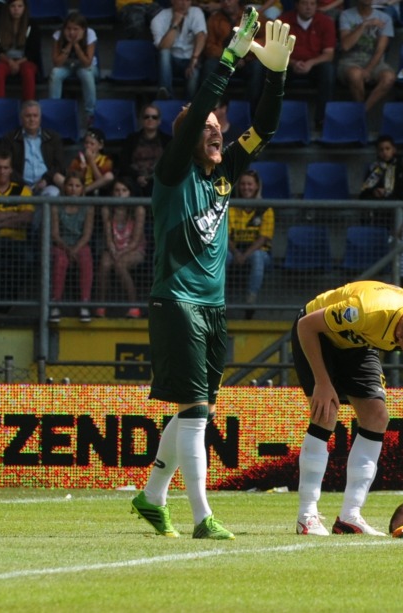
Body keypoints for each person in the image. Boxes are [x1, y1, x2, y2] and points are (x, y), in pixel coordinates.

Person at [130, 11, 294, 540]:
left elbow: (264, 128)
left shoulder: (224, 174)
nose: (217, 133)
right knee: (196, 409)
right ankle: (203, 516)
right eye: (206, 129)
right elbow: (201, 105)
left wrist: (277, 72)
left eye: (219, 129)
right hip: (175, 300)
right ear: (185, 138)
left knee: (195, 408)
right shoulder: (172, 171)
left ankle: (153, 495)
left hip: (212, 305)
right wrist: (226, 59)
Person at [292, 280, 403, 536]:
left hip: (357, 342)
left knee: (376, 416)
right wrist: (322, 381)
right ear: (399, 337)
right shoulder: (364, 310)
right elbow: (305, 327)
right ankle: (306, 515)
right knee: (326, 412)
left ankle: (350, 516)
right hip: (318, 334)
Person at [95, 177, 146, 319]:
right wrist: (113, 250)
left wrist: (121, 253)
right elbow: (108, 237)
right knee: (105, 264)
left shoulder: (138, 209)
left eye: (124, 190)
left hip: (133, 249)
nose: (120, 194)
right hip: (113, 247)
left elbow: (136, 241)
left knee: (120, 265)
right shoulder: (107, 209)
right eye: (117, 190)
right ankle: (101, 306)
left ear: (130, 192)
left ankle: (134, 307)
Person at [280, 0, 336, 129]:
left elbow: (329, 54)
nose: (308, 8)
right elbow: (276, 51)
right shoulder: (283, 21)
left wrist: (311, 63)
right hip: (288, 64)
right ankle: (274, 120)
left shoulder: (326, 22)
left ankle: (321, 120)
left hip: (314, 65)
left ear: (317, 6)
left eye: (312, 4)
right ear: (297, 5)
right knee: (274, 71)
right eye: (304, 4)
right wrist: (293, 63)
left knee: (328, 70)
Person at [226, 168, 273, 319]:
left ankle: (250, 301)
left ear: (257, 186)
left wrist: (244, 255)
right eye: (243, 184)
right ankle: (218, 300)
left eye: (250, 184)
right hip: (235, 251)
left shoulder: (265, 209)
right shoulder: (231, 207)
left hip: (259, 253)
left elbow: (264, 238)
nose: (246, 187)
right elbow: (224, 236)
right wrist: (237, 254)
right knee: (221, 256)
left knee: (258, 256)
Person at [49, 174, 95, 324]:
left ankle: (84, 304)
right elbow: (55, 234)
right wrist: (68, 249)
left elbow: (87, 234)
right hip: (61, 245)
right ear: (64, 187)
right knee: (60, 261)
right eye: (70, 185)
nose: (73, 189)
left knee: (86, 258)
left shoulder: (88, 207)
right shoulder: (56, 205)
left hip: (80, 244)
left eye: (77, 186)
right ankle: (55, 304)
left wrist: (75, 249)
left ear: (82, 189)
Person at [201, 0, 264, 109]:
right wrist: (230, 57)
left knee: (257, 67)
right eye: (223, 0)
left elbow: (264, 40)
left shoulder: (252, 16)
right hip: (223, 60)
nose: (226, 3)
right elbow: (209, 47)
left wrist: (246, 53)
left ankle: (249, 108)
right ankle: (209, 107)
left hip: (246, 60)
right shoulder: (214, 19)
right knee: (209, 64)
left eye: (230, 0)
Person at [337, 0, 396, 113]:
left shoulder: (385, 18)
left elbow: (380, 50)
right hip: (350, 62)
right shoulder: (345, 15)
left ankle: (362, 112)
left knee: (389, 77)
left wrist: (368, 69)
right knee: (356, 74)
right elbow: (346, 46)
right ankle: (360, 111)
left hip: (375, 63)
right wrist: (364, 25)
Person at [4, 99, 66, 197]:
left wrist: (46, 180)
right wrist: (22, 184)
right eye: (28, 116)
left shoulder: (53, 137)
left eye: (35, 116)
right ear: (21, 119)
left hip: (46, 184)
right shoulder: (10, 139)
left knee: (53, 194)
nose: (32, 119)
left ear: (40, 118)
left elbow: (59, 165)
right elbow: (6, 166)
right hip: (19, 185)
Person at [0, 149, 33, 305]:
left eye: (5, 167)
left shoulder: (22, 190)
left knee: (28, 258)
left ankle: (10, 302)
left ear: (11, 169)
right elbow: (20, 216)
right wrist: (13, 214)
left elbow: (27, 217)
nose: (2, 171)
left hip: (16, 241)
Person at [150, 0, 207, 100]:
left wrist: (194, 59)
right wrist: (175, 24)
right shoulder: (159, 18)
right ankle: (166, 94)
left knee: (194, 73)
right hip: (170, 63)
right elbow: (163, 46)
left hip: (190, 59)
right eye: (180, 0)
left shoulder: (196, 12)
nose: (184, 3)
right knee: (164, 52)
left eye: (187, 0)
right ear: (172, 1)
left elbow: (201, 36)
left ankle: (188, 106)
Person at [48, 11, 98, 122]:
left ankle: (90, 114)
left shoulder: (90, 34)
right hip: (66, 66)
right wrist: (69, 45)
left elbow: (87, 63)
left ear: (83, 29)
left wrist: (76, 45)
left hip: (86, 67)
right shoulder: (58, 35)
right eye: (68, 29)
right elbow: (57, 62)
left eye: (75, 29)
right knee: (55, 73)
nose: (71, 32)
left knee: (86, 74)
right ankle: (53, 110)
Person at [118, 103, 171, 198]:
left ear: (159, 121)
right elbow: (123, 162)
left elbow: (170, 164)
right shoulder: (132, 139)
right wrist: (137, 176)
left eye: (154, 117)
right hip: (134, 179)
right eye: (146, 117)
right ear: (141, 120)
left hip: (158, 180)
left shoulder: (167, 141)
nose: (150, 119)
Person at [0, 0, 41, 101]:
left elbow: (33, 52)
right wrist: (9, 62)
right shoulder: (0, 25)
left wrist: (18, 63)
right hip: (6, 60)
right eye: (13, 6)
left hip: (25, 60)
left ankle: (28, 106)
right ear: (8, 8)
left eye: (20, 6)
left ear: (24, 8)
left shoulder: (32, 25)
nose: (16, 9)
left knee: (28, 71)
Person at [67, 128, 115, 196]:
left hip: (97, 189)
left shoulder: (106, 160)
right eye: (86, 143)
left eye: (92, 144)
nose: (88, 146)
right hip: (77, 188)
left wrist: (91, 161)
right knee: (58, 177)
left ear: (100, 146)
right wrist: (82, 171)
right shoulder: (78, 159)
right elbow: (72, 179)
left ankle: (84, 190)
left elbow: (101, 180)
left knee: (109, 176)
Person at [359, 134, 403, 202]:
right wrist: (374, 191)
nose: (384, 152)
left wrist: (386, 192)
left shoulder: (400, 167)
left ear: (394, 150)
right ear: (377, 152)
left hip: (394, 202)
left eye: (387, 149)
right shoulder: (375, 168)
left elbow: (401, 189)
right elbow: (365, 190)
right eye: (381, 150)